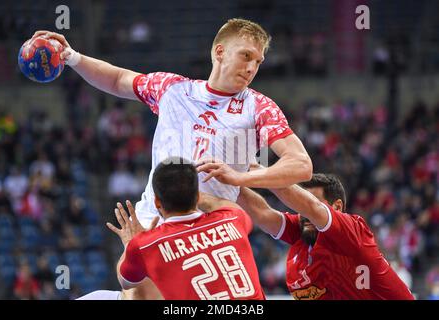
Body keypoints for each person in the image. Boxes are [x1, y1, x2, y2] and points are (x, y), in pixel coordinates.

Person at [32, 18, 312, 298]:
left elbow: (300, 165)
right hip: (155, 218)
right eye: (246, 56)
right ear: (219, 52)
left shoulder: (258, 107)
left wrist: (241, 178)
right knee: (136, 293)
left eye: (259, 62)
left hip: (211, 230)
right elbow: (118, 79)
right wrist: (72, 57)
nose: (252, 68)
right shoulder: (173, 89)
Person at [198, 161, 415, 299]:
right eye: (298, 207)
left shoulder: (353, 230)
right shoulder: (302, 229)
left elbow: (310, 206)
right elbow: (263, 213)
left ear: (337, 207)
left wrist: (252, 173)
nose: (301, 212)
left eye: (306, 203)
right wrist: (215, 185)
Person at [107, 157, 265, 300]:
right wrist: (195, 193)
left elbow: (126, 282)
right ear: (197, 196)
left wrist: (130, 243)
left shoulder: (145, 245)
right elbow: (230, 207)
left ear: (156, 203)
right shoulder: (234, 219)